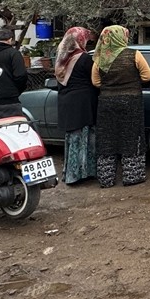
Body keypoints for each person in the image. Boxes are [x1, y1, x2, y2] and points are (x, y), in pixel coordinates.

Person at [91, 25, 150, 188]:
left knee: (107, 139)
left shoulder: (100, 58)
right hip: (131, 102)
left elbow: (95, 82)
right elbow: (148, 76)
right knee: (131, 137)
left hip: (107, 103)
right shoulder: (134, 54)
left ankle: (106, 178)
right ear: (121, 37)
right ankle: (132, 176)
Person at [55, 27, 98, 185]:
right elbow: (95, 79)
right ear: (80, 40)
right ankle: (85, 172)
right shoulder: (84, 58)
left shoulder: (60, 58)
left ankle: (71, 174)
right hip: (83, 103)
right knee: (85, 138)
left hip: (66, 102)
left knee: (72, 139)